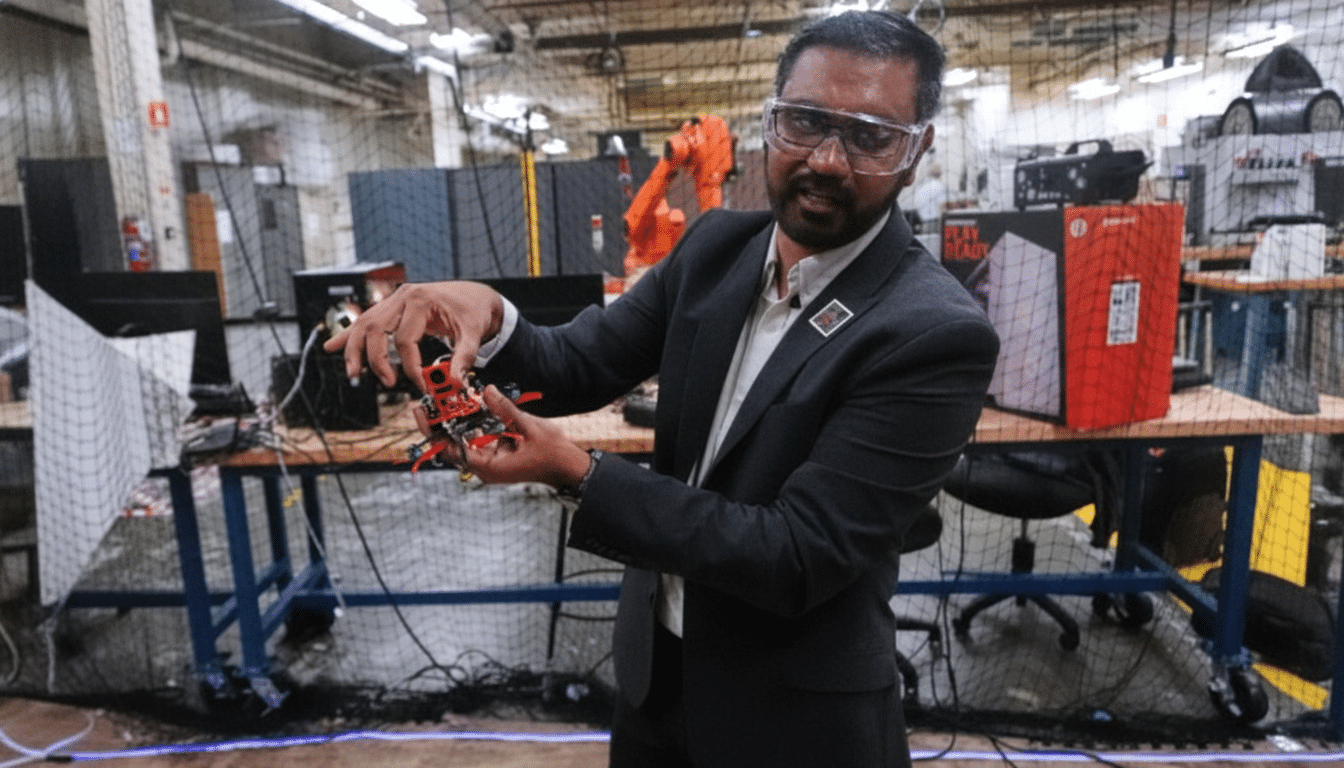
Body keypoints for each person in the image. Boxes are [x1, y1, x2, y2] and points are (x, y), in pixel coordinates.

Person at [326, 11, 998, 768]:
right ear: (770, 121)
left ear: (917, 153)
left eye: (871, 135)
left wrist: (577, 474)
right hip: (659, 683)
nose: (829, 159)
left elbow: (796, 554)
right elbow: (579, 363)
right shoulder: (717, 249)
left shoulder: (933, 332)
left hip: (794, 718)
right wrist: (489, 311)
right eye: (805, 122)